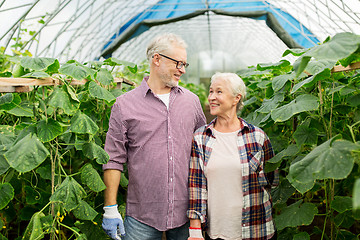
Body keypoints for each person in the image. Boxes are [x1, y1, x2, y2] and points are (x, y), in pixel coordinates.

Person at [102, 33, 206, 240]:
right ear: (156, 59)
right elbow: (113, 159)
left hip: (187, 212)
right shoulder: (124, 105)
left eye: (185, 64)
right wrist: (110, 208)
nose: (182, 70)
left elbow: (204, 149)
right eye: (178, 63)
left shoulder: (191, 102)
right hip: (142, 214)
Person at [187, 72, 279, 240]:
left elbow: (272, 180)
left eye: (219, 92)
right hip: (217, 233)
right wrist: (195, 230)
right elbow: (196, 186)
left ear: (236, 98)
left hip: (257, 229)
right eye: (211, 91)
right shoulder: (200, 138)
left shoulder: (257, 137)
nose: (212, 97)